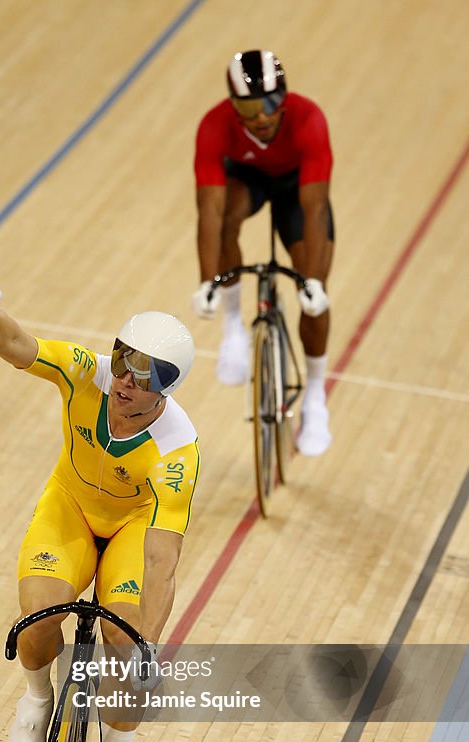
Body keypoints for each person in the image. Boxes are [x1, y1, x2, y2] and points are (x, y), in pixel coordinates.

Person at [0, 272, 200, 742]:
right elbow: (13, 345)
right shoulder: (83, 373)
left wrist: (148, 641)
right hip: (69, 509)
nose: (124, 379)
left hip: (132, 532)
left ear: (167, 388)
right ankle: (37, 699)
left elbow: (163, 561)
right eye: (122, 360)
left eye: (144, 374)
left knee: (124, 651)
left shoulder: (177, 449)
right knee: (35, 622)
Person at [192, 49, 335, 456]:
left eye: (271, 103)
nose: (262, 116)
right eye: (249, 107)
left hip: (297, 188)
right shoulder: (214, 125)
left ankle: (315, 397)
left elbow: (316, 208)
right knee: (225, 221)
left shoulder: (309, 120)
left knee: (314, 299)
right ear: (233, 106)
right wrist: (207, 283)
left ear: (285, 98)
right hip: (247, 179)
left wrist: (315, 283)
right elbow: (210, 209)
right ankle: (234, 328)